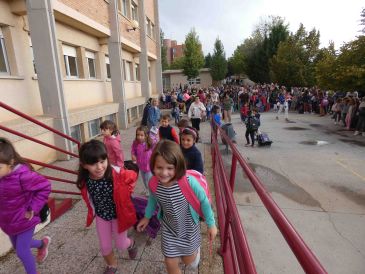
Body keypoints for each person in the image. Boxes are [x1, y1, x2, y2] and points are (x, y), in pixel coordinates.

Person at [136, 140, 217, 274]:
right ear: (153, 166)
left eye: (169, 168)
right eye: (159, 167)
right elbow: (152, 200)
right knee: (170, 261)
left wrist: (211, 224)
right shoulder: (153, 183)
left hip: (189, 228)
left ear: (178, 166)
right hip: (169, 228)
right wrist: (147, 217)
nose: (164, 173)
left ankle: (195, 253)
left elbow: (204, 200)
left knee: (188, 261)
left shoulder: (188, 182)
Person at [77, 140, 138, 274]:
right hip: (102, 216)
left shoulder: (116, 173)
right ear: (84, 165)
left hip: (118, 216)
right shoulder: (85, 180)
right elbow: (88, 196)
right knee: (105, 246)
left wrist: (127, 193)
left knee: (121, 244)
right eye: (93, 163)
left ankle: (131, 243)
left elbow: (133, 177)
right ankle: (112, 265)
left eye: (102, 161)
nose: (99, 167)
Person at [0, 137, 51, 274]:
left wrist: (33, 209)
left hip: (25, 218)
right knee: (19, 247)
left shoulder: (22, 176)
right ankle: (42, 244)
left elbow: (45, 187)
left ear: (10, 163)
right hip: (8, 222)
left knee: (22, 252)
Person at [131, 126, 155, 195]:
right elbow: (133, 150)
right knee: (144, 180)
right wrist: (133, 155)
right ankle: (147, 189)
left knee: (149, 181)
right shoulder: (135, 143)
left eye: (142, 135)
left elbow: (156, 153)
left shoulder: (150, 144)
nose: (139, 137)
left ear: (146, 135)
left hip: (149, 167)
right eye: (138, 135)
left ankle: (151, 193)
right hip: (141, 166)